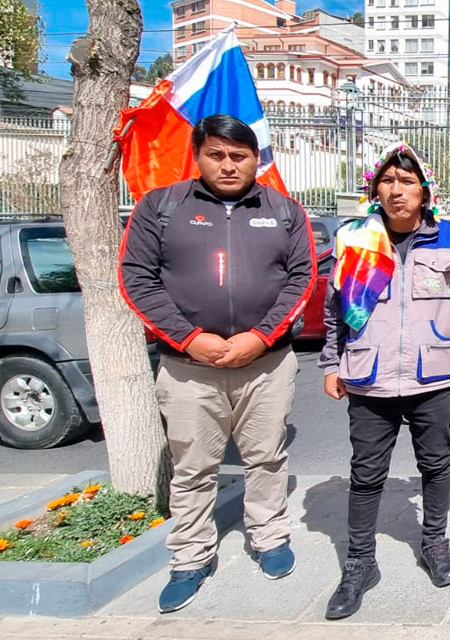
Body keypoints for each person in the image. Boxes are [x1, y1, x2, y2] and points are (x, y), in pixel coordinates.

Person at [119, 114, 315, 613]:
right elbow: (136, 280)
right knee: (192, 467)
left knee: (267, 457)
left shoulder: (285, 211)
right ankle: (191, 556)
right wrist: (188, 338)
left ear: (256, 159)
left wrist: (259, 336)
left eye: (239, 155)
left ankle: (269, 538)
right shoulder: (161, 208)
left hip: (265, 364)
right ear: (198, 155)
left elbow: (302, 278)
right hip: (189, 367)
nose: (228, 165)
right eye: (217, 154)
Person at [318, 142, 450, 620]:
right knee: (366, 474)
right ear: (376, 189)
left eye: (407, 182)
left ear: (424, 191)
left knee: (436, 466)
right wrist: (331, 364)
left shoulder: (449, 237)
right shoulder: (355, 238)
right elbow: (335, 312)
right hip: (369, 378)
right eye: (388, 181)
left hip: (432, 376)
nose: (397, 190)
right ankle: (359, 562)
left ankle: (435, 543)